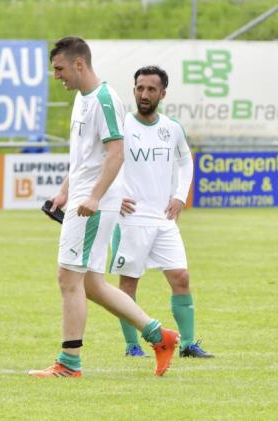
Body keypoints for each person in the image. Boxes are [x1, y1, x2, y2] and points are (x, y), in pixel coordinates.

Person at [28, 37, 179, 378]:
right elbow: (85, 159)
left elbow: (116, 153)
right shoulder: (82, 100)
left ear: (79, 64)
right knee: (91, 284)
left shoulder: (105, 100)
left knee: (68, 279)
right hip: (82, 200)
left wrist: (93, 197)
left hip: (93, 207)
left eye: (60, 69)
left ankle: (69, 363)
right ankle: (160, 335)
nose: (57, 76)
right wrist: (65, 191)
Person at [112, 66, 213, 359]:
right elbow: (102, 160)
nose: (144, 94)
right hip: (131, 219)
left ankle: (188, 344)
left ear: (163, 93)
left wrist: (180, 196)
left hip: (164, 219)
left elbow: (185, 161)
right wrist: (114, 195)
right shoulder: (121, 127)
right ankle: (132, 346)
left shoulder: (172, 128)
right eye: (139, 88)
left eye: (151, 89)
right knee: (128, 284)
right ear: (134, 90)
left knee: (180, 277)